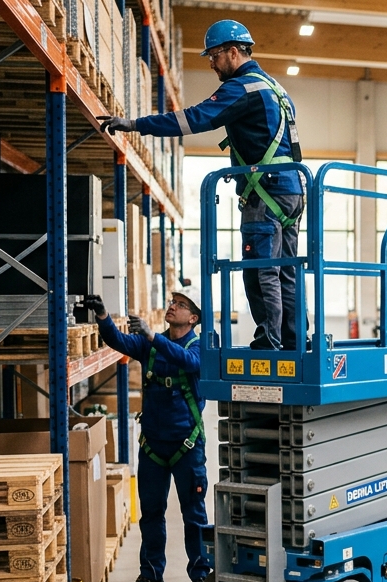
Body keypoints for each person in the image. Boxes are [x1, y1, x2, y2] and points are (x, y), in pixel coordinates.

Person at [98, 20, 303, 351]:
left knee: (261, 271)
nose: (210, 63)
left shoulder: (241, 89)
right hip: (291, 192)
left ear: (233, 52)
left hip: (263, 195)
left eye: (215, 55)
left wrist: (136, 124)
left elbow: (191, 119)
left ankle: (272, 342)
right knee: (286, 273)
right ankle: (294, 339)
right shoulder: (276, 89)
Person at [81, 292, 210, 582]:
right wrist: (102, 316)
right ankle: (152, 574)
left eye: (180, 305)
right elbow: (119, 342)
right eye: (172, 303)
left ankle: (201, 575)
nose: (172, 307)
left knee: (194, 514)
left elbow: (189, 363)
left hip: (186, 446)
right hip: (153, 445)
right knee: (150, 513)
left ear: (193, 318)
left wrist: (153, 336)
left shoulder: (199, 347)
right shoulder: (149, 345)